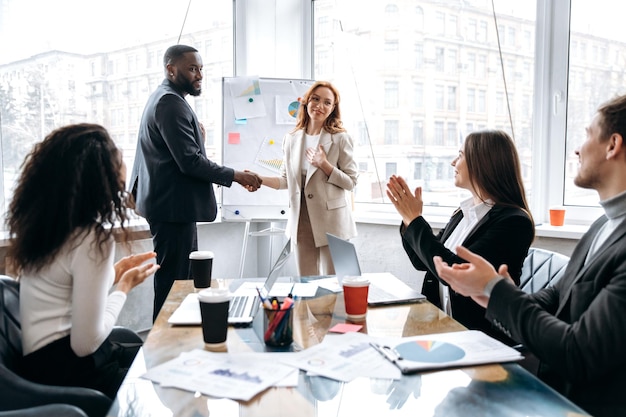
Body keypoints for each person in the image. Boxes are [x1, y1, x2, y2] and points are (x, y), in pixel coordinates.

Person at [432, 94, 626, 417]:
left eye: (588, 134)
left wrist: (497, 292)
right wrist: (494, 293)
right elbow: (557, 297)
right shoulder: (601, 225)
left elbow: (577, 352)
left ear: (613, 145)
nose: (578, 148)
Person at [9, 123, 159, 399]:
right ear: (102, 177)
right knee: (158, 375)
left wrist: (113, 274)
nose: (125, 164)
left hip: (38, 365)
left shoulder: (48, 229)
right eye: (119, 158)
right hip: (69, 374)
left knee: (146, 357)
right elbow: (85, 343)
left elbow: (61, 293)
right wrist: (123, 288)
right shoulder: (93, 239)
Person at [130, 44, 263, 320]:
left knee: (182, 282)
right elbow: (189, 162)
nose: (199, 75)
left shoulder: (164, 98)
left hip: (172, 208)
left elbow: (175, 154)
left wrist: (198, 137)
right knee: (174, 285)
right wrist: (236, 175)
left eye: (201, 69)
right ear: (171, 69)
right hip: (173, 210)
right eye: (192, 69)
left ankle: (173, 345)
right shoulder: (170, 103)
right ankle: (162, 350)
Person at [386, 130, 534, 344]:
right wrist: (409, 220)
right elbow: (423, 262)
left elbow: (456, 273)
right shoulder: (463, 213)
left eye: (460, 155)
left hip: (478, 337)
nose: (453, 162)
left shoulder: (514, 222)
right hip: (441, 328)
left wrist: (416, 219)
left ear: (482, 162)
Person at [255, 81, 358, 276]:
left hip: (332, 221)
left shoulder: (340, 138)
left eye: (327, 103)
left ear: (333, 108)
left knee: (333, 283)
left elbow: (351, 182)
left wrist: (325, 165)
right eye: (316, 99)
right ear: (306, 101)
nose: (320, 106)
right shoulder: (291, 138)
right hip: (300, 219)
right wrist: (259, 179)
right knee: (306, 282)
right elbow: (285, 180)